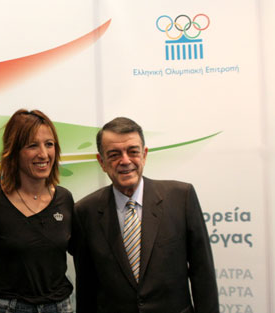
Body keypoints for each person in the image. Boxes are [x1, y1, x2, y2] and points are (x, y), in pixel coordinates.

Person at [72, 117, 219, 313]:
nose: (125, 161)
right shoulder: (85, 212)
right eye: (114, 154)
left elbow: (203, 275)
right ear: (102, 162)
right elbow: (86, 287)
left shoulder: (181, 198)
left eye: (133, 151)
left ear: (144, 155)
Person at [0, 109, 74, 313]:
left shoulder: (65, 199)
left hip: (60, 307)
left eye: (49, 144)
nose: (43, 154)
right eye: (32, 145)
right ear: (14, 152)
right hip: (8, 307)